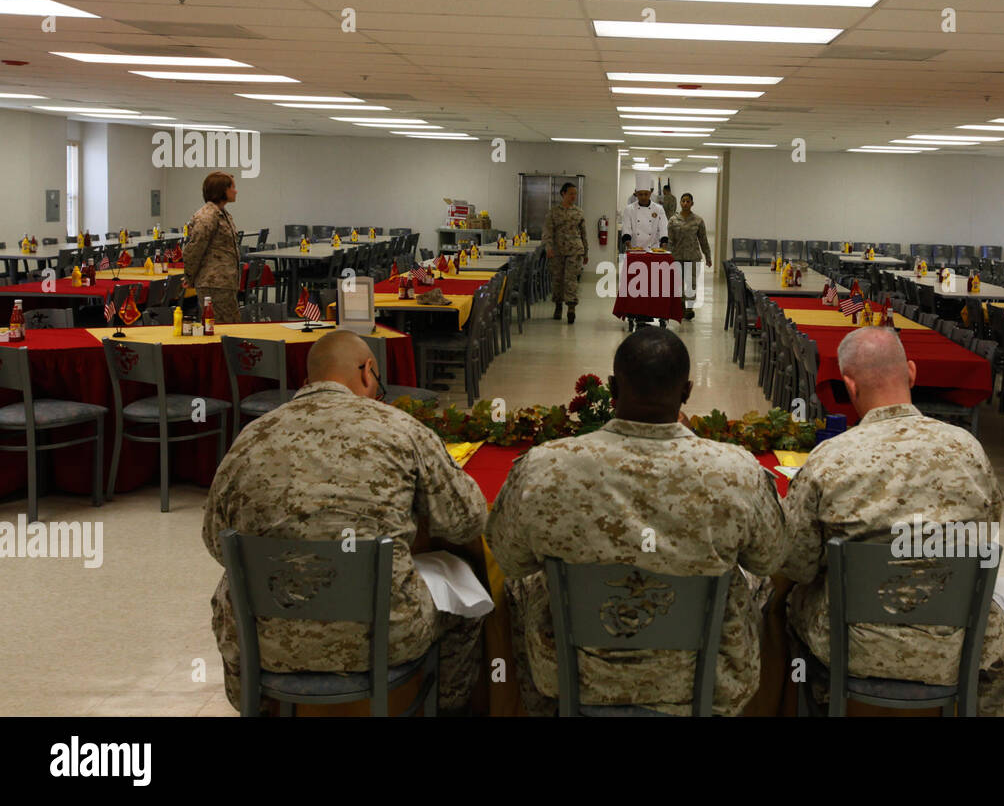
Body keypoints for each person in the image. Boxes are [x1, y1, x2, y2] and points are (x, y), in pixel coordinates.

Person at [487, 327, 787, 716]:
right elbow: (771, 560)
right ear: (687, 392)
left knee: (517, 587)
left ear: (613, 387)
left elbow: (509, 560)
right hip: (704, 676)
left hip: (576, 674)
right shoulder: (736, 472)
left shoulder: (545, 467)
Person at [202, 330, 489, 714]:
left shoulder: (251, 437)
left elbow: (216, 541)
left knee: (228, 587)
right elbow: (467, 521)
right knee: (467, 600)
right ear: (368, 372)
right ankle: (446, 708)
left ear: (308, 382)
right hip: (385, 637)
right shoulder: (402, 430)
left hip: (265, 638)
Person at [781, 327, 1004, 716]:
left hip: (852, 648)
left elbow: (798, 562)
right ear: (911, 373)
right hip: (954, 648)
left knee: (783, 604)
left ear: (849, 386)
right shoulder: (969, 451)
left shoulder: (831, 458)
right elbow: (987, 532)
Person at [182, 171, 242, 323]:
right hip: (213, 283)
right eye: (232, 187)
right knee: (223, 329)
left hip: (223, 282)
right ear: (222, 190)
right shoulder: (208, 216)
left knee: (230, 327)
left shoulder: (222, 213)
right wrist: (189, 276)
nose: (236, 191)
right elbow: (194, 249)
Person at [542, 182, 588, 324]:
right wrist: (548, 247)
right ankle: (558, 305)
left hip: (575, 250)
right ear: (563, 194)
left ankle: (571, 308)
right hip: (557, 251)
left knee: (571, 280)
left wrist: (586, 252)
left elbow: (583, 233)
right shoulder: (554, 212)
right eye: (571, 193)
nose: (573, 196)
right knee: (558, 279)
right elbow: (547, 232)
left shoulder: (579, 212)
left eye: (575, 194)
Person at [666, 192, 711, 321]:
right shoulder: (673, 220)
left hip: (693, 257)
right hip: (677, 256)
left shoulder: (698, 220)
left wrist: (708, 256)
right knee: (678, 284)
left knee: (691, 284)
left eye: (688, 201)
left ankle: (689, 308)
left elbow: (703, 240)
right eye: (683, 201)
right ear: (680, 203)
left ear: (692, 203)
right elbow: (669, 240)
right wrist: (667, 256)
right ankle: (680, 305)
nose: (685, 203)